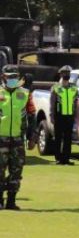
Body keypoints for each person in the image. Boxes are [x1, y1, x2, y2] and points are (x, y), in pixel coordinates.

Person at [0, 65, 35, 210]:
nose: (12, 79)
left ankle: (11, 201)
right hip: (0, 138)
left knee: (16, 171)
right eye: (10, 77)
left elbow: (32, 115)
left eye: (15, 77)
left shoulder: (25, 94)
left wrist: (32, 136)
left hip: (18, 139)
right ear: (3, 77)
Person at [49, 65, 79, 165]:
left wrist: (76, 115)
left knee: (68, 138)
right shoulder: (56, 87)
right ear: (61, 74)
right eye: (64, 73)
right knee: (58, 137)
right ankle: (58, 158)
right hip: (59, 115)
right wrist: (52, 115)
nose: (66, 75)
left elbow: (75, 102)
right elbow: (52, 103)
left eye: (68, 74)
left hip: (69, 116)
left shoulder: (74, 88)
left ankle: (66, 158)